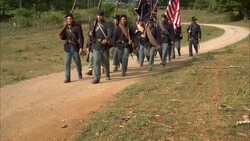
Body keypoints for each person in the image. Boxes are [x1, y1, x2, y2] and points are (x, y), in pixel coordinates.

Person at [58, 13, 84, 83]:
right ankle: (67, 77)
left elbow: (81, 38)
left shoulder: (77, 27)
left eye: (70, 19)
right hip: (67, 47)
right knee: (67, 63)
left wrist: (81, 47)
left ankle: (79, 71)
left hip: (75, 46)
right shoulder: (65, 28)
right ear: (66, 20)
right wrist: (61, 36)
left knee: (78, 62)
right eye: (68, 19)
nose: (69, 20)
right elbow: (64, 37)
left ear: (73, 19)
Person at [89, 10, 112, 84]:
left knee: (105, 62)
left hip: (104, 46)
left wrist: (106, 39)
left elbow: (109, 33)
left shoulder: (107, 24)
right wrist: (90, 33)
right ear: (97, 16)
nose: (99, 17)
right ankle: (97, 78)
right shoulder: (94, 24)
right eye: (98, 15)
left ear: (103, 16)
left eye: (101, 15)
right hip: (96, 45)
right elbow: (90, 33)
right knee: (96, 62)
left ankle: (107, 74)